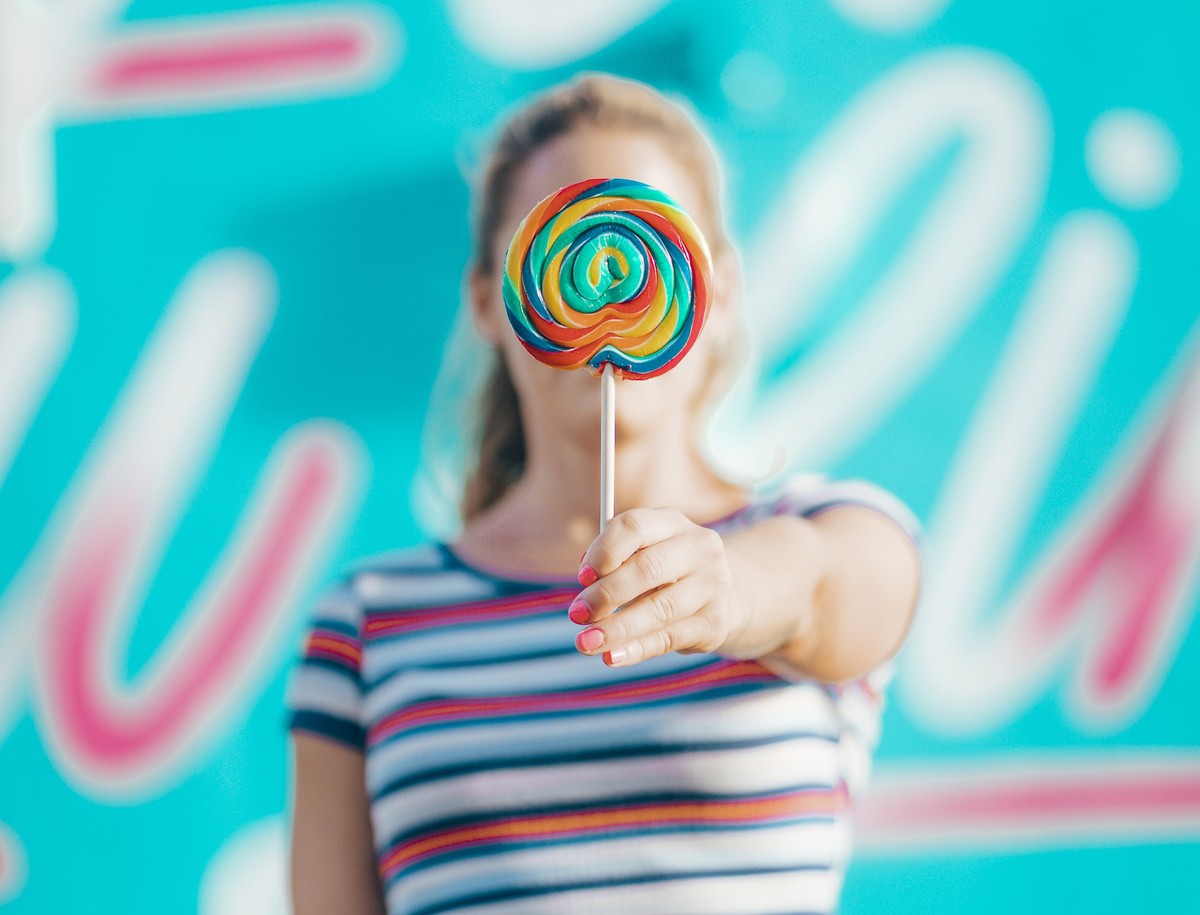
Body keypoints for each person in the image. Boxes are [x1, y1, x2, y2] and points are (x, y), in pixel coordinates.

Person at [287, 73, 921, 915]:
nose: (611, 275)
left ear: (719, 292)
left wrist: (727, 591)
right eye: (569, 241)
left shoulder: (819, 530)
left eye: (646, 240)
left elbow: (823, 586)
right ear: (491, 301)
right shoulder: (370, 620)